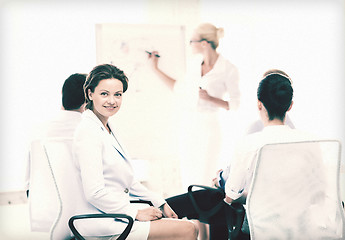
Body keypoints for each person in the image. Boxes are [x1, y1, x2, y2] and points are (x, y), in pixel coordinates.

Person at [72, 64, 198, 240]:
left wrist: (160, 202)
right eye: (104, 94)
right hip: (103, 220)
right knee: (188, 229)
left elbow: (129, 182)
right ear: (90, 94)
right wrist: (135, 212)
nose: (112, 101)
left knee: (183, 225)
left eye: (117, 94)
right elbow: (94, 193)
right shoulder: (88, 132)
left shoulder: (108, 127)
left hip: (117, 215)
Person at [149, 23, 241, 239]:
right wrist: (155, 68)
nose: (190, 45)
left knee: (204, 181)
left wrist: (211, 98)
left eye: (192, 41)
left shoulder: (228, 68)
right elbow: (178, 88)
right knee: (189, 180)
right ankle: (196, 234)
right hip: (190, 127)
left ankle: (210, 235)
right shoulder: (193, 65)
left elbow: (235, 104)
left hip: (210, 128)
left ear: (205, 43)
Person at [25, 73, 87, 196]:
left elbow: (29, 185)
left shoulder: (38, 132)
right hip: (87, 212)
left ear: (61, 93)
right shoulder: (91, 131)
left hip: (46, 211)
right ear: (88, 100)